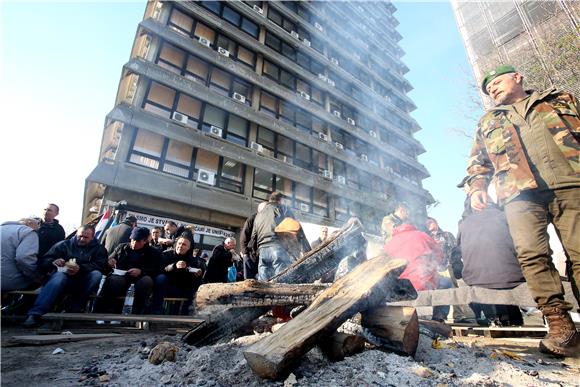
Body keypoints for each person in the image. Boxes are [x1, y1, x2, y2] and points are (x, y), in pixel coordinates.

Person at [466, 64, 579, 356]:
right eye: (488, 88)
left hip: (572, 183)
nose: (491, 89)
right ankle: (560, 327)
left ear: (518, 78)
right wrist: (477, 187)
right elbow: (478, 161)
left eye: (497, 81)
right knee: (531, 254)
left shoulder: (560, 100)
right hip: (518, 194)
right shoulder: (488, 120)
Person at [453, 191, 525, 326]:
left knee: (484, 285)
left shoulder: (464, 224)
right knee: (502, 281)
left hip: (476, 279)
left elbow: (457, 250)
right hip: (512, 276)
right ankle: (513, 320)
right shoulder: (506, 216)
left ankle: (493, 319)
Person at [22, 225, 108, 327]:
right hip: (62, 280)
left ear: (92, 237)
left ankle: (74, 309)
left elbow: (101, 265)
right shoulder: (63, 245)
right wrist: (53, 261)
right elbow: (43, 261)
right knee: (59, 277)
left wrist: (81, 268)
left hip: (84, 282)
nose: (82, 239)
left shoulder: (99, 249)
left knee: (96, 275)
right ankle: (35, 314)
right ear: (76, 234)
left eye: (86, 237)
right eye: (80, 236)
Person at [95, 227, 161, 314]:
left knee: (146, 281)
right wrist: (109, 262)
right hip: (121, 277)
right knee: (114, 280)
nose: (134, 243)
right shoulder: (122, 247)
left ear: (145, 241)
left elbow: (156, 270)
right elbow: (108, 262)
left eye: (138, 241)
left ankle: (137, 313)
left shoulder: (153, 252)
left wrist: (141, 271)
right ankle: (106, 312)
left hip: (140, 278)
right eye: (132, 240)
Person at [252, 191, 309, 281]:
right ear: (281, 200)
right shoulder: (283, 208)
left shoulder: (259, 215)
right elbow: (296, 227)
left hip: (262, 250)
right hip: (277, 248)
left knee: (262, 283)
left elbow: (253, 236)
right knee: (280, 281)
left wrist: (255, 252)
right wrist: (307, 249)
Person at [383, 221, 443, 293]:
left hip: (401, 290)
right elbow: (440, 256)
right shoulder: (422, 235)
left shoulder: (388, 245)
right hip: (425, 285)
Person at [151, 236, 206, 315]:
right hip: (166, 286)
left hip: (183, 288)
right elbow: (160, 269)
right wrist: (174, 266)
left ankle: (188, 314)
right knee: (161, 278)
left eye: (184, 244)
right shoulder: (166, 254)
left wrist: (197, 274)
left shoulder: (193, 260)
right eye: (179, 243)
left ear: (189, 248)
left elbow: (193, 275)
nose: (180, 246)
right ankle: (156, 311)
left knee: (199, 284)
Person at [1, 218, 40, 292]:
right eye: (37, 228)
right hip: (8, 281)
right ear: (29, 224)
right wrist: (36, 276)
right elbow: (23, 258)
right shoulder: (28, 232)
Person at [239, 202, 267, 280]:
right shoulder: (252, 219)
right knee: (249, 280)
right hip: (251, 254)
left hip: (262, 255)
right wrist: (245, 253)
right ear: (259, 210)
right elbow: (244, 236)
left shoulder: (267, 220)